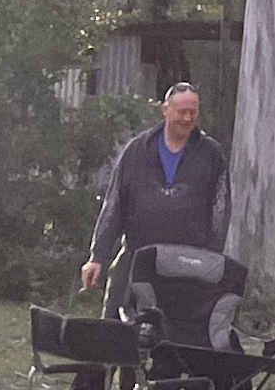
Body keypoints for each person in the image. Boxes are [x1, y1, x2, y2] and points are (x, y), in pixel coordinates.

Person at [84, 82, 240, 347]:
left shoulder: (211, 154)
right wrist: (97, 256)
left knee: (175, 336)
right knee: (112, 326)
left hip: (186, 260)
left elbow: (220, 209)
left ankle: (162, 383)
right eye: (182, 112)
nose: (188, 118)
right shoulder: (137, 150)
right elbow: (114, 205)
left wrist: (211, 258)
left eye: (193, 112)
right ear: (165, 110)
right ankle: (102, 380)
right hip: (137, 253)